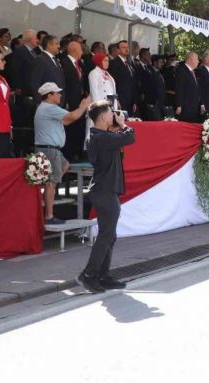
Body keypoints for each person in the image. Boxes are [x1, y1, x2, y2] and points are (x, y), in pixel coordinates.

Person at [76, 100, 136, 294]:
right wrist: (124, 124)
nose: (114, 115)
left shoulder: (100, 136)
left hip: (106, 190)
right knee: (106, 235)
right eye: (111, 113)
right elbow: (130, 137)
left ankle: (103, 275)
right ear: (103, 117)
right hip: (105, 191)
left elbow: (120, 138)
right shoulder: (100, 138)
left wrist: (118, 126)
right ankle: (89, 275)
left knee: (109, 235)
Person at [34, 82, 91, 224]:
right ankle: (49, 216)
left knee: (64, 166)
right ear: (49, 95)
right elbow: (72, 117)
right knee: (50, 183)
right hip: (49, 150)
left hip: (51, 149)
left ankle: (49, 199)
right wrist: (83, 106)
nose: (60, 95)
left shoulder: (46, 108)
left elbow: (66, 121)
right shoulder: (49, 108)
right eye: (57, 93)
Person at [59, 41, 88, 161]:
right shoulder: (64, 63)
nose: (83, 51)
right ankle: (68, 158)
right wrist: (64, 101)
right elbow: (63, 84)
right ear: (75, 50)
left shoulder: (79, 64)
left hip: (79, 103)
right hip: (69, 103)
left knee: (78, 130)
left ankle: (76, 156)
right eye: (81, 49)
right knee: (69, 132)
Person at [29, 34, 65, 104]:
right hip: (47, 103)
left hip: (58, 102)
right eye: (56, 44)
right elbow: (35, 83)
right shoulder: (40, 59)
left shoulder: (55, 59)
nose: (59, 46)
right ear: (49, 45)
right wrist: (40, 103)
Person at [108, 40, 138, 116]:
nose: (126, 49)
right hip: (120, 100)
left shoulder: (129, 64)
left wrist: (134, 101)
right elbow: (112, 83)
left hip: (130, 100)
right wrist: (116, 100)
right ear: (118, 50)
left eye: (127, 47)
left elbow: (133, 83)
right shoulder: (114, 63)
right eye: (123, 47)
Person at [175, 51, 204, 123]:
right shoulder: (182, 70)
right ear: (191, 59)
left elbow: (197, 90)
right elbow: (180, 88)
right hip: (186, 108)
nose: (198, 61)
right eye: (197, 59)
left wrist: (201, 104)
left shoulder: (193, 72)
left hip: (194, 108)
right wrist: (179, 105)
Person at [138, 51, 166, 121]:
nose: (162, 64)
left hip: (160, 103)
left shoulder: (159, 73)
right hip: (153, 103)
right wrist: (154, 102)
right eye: (160, 62)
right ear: (155, 63)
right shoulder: (149, 73)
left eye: (163, 62)